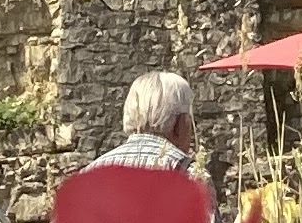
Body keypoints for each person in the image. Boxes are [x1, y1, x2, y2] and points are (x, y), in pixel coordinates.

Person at [92, 68, 215, 208]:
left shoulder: (92, 172)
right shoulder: (190, 176)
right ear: (180, 123)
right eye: (190, 119)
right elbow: (207, 222)